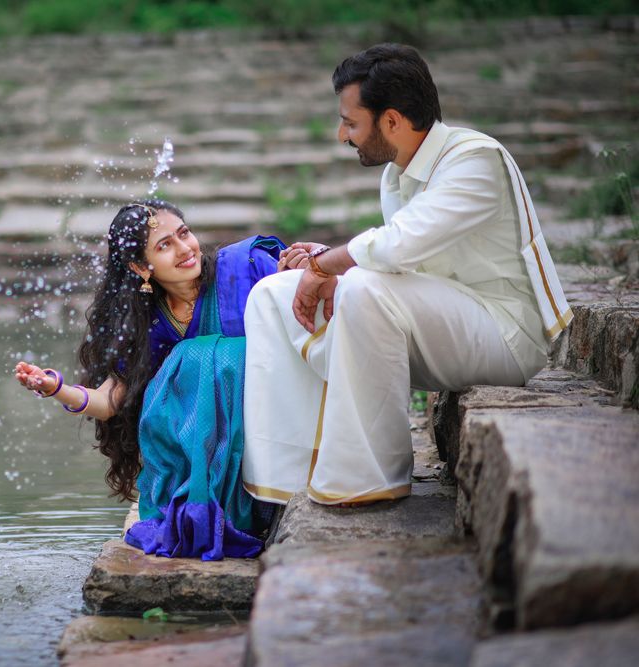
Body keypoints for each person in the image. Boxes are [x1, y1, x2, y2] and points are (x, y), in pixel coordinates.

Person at [241, 44, 572, 507]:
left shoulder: (475, 158)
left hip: (505, 337)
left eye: (351, 122)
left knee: (359, 285)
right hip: (443, 322)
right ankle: (292, 477)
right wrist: (324, 268)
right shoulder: (398, 173)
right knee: (274, 293)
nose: (342, 135)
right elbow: (403, 263)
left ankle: (368, 477)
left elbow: (401, 243)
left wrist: (327, 264)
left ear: (392, 120)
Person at [14, 200, 286, 560]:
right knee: (190, 363)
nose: (185, 249)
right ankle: (205, 505)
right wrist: (55, 387)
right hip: (214, 450)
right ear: (142, 268)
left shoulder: (247, 269)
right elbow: (110, 402)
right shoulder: (149, 324)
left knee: (203, 356)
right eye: (164, 245)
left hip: (277, 424)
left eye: (184, 234)